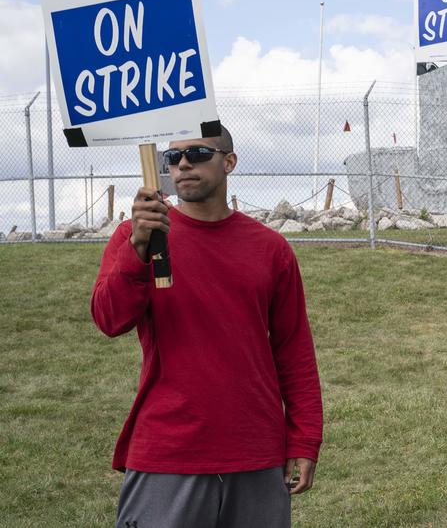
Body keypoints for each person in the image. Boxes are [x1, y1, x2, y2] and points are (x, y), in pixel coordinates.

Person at [91, 127, 323, 528]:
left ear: (229, 162)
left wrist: (304, 437)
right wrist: (138, 252)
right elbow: (109, 320)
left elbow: (293, 350)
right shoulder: (137, 236)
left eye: (198, 153)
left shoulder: (271, 248)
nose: (183, 163)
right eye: (172, 157)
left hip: (256, 451)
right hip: (168, 450)